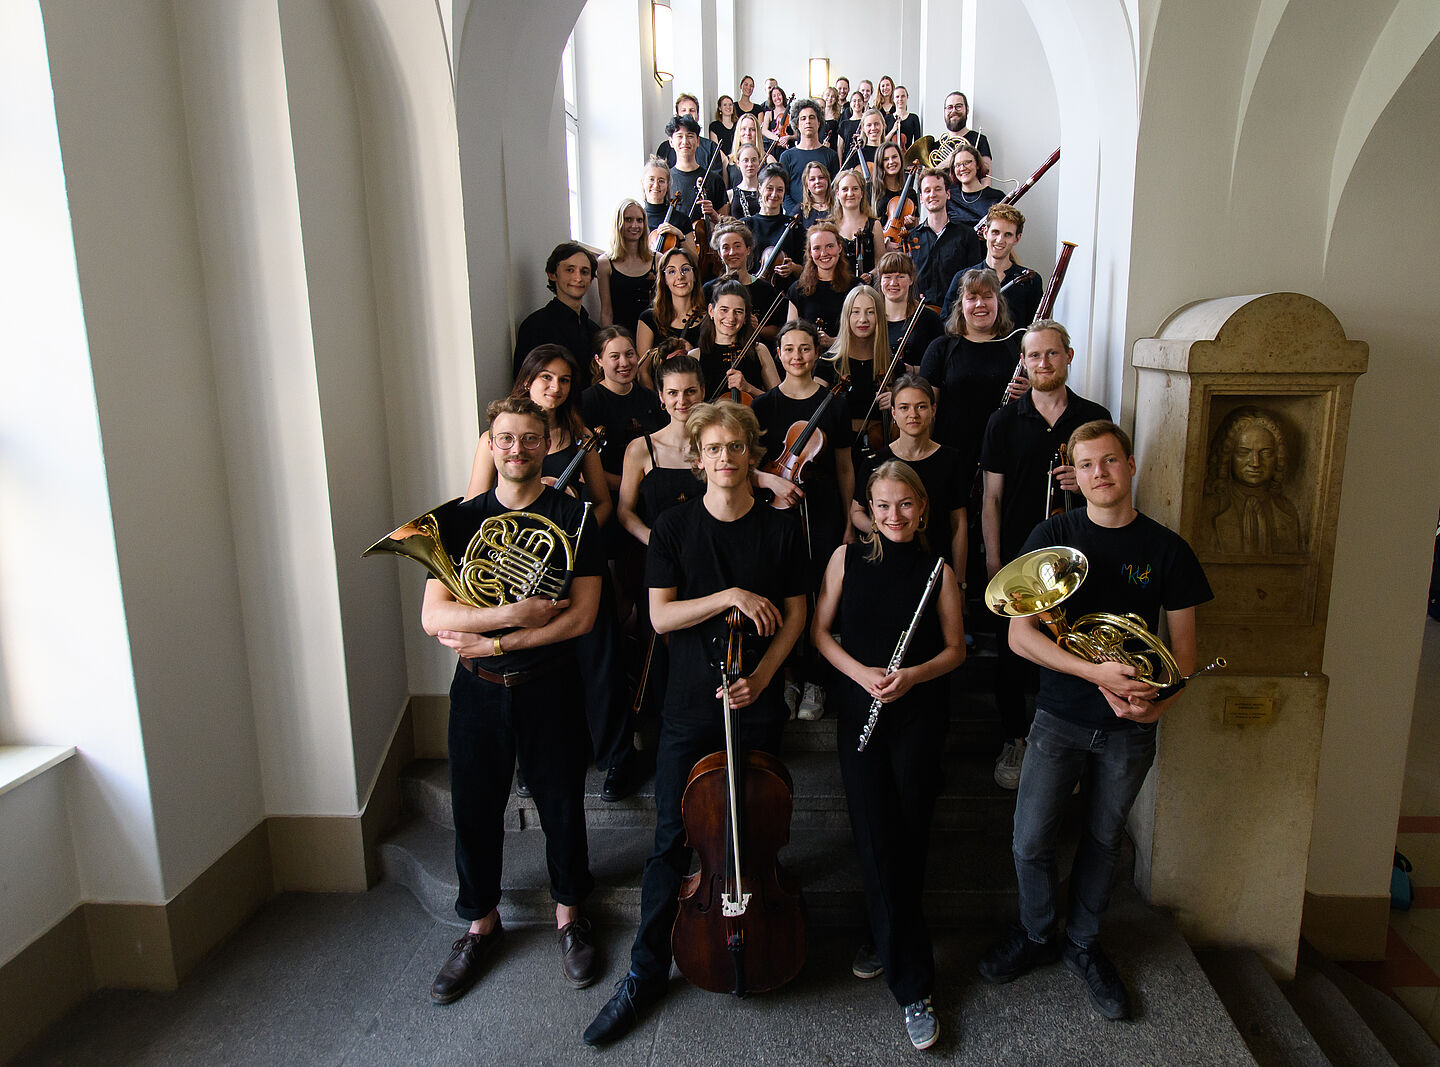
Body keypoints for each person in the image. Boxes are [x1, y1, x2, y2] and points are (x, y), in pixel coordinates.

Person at [583, 401, 809, 1047]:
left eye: (737, 446)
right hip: (687, 705)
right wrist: (731, 595)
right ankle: (645, 972)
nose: (727, 458)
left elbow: (794, 616)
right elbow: (660, 617)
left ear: (750, 452)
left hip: (757, 701)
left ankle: (756, 935)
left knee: (753, 831)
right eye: (714, 448)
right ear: (698, 455)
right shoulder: (675, 527)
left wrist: (763, 679)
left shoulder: (780, 528)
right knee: (670, 842)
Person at [977, 420, 1213, 1024]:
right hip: (1060, 715)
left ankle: (1083, 942)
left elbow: (1183, 649)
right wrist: (1095, 675)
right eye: (1086, 465)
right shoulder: (1052, 534)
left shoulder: (1167, 549)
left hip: (1131, 723)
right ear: (1074, 475)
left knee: (1105, 840)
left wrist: (1161, 702)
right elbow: (1020, 635)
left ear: (1131, 466)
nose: (1099, 475)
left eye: (1109, 462)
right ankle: (1037, 934)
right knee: (1030, 839)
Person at [423, 394, 603, 1005]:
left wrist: (499, 639)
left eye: (530, 438)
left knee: (561, 806)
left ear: (547, 442)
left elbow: (582, 618)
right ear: (490, 444)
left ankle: (571, 917)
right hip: (476, 693)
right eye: (505, 438)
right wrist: (514, 611)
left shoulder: (575, 518)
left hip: (549, 683)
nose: (517, 449)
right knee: (474, 809)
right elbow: (433, 615)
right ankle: (479, 924)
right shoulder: (459, 519)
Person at [813, 458, 965, 1050]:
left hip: (919, 714)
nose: (894, 515)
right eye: (882, 507)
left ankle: (883, 937)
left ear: (921, 508)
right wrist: (863, 675)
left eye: (905, 505)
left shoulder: (939, 571)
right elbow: (820, 634)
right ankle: (915, 988)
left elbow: (955, 649)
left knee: (909, 834)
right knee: (874, 835)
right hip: (862, 710)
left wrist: (914, 676)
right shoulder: (845, 559)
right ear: (868, 512)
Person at [980, 320, 1111, 789]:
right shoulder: (1003, 421)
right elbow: (990, 499)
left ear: (1068, 357)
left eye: (1052, 354)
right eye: (1033, 356)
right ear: (1024, 362)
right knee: (1013, 660)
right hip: (1019, 560)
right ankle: (1015, 740)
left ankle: (1069, 749)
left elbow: (1112, 489)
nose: (1043, 363)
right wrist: (995, 561)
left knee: (1073, 650)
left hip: (1078, 561)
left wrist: (1087, 481)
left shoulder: (1094, 418)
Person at [754, 318, 855, 721]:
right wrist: (772, 485)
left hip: (824, 506)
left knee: (819, 592)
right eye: (789, 349)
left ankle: (816, 679)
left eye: (805, 349)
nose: (797, 356)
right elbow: (750, 465)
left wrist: (849, 519)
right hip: (774, 508)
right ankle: (787, 675)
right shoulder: (764, 405)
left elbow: (846, 467)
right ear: (779, 354)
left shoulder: (835, 401)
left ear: (817, 354)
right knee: (781, 589)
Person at [918, 267, 1025, 479]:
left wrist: (1030, 394)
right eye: (972, 298)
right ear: (960, 305)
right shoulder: (940, 348)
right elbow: (926, 413)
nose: (980, 304)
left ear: (998, 302)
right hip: (952, 456)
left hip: (1004, 457)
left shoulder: (1016, 347)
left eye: (987, 297)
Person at [851, 374, 968, 567]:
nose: (913, 414)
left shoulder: (951, 459)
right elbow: (856, 512)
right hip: (887, 560)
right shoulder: (875, 461)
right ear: (894, 413)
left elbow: (959, 524)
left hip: (937, 559)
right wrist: (887, 530)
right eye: (904, 407)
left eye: (921, 406)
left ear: (933, 410)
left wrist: (960, 579)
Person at [1203, 406, 1304, 554]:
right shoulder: (1210, 508)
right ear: (1228, 456)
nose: (1255, 463)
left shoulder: (1287, 511)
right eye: (1244, 452)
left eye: (1266, 453)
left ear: (1278, 458)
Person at [580, 326, 664, 499]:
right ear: (599, 360)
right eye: (614, 357)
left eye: (629, 354)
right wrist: (632, 486)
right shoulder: (587, 402)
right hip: (607, 495)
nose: (624, 363)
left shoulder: (650, 397)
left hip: (650, 491)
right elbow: (583, 472)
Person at [942, 203, 1043, 329]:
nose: (1000, 240)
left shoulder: (1031, 280)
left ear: (1017, 239)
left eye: (1008, 234)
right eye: (995, 232)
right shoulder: (962, 277)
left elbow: (1034, 328)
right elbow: (947, 323)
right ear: (985, 232)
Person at [513, 242, 600, 382]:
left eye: (584, 272)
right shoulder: (535, 326)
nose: (578, 278)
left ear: (590, 280)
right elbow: (523, 383)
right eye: (570, 270)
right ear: (552, 274)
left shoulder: (594, 330)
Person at [691, 277, 779, 401]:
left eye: (738, 311)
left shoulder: (759, 350)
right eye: (724, 310)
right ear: (711, 311)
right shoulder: (695, 357)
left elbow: (778, 402)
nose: (731, 318)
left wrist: (749, 388)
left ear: (746, 316)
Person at [909, 168, 983, 308]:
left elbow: (974, 278)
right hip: (921, 312)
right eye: (927, 190)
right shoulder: (912, 238)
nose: (932, 194)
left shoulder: (967, 235)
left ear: (947, 193)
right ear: (921, 198)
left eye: (938, 189)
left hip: (957, 312)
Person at [636, 246, 706, 383]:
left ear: (695, 275)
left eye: (685, 269)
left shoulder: (710, 318)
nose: (680, 276)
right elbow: (643, 372)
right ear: (664, 279)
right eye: (671, 271)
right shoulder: (648, 319)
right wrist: (659, 402)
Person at [828, 283, 891, 433]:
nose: (863, 319)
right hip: (839, 446)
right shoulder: (828, 364)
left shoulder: (891, 363)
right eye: (855, 312)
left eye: (870, 312)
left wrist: (898, 400)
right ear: (846, 316)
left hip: (880, 444)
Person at [786, 222, 858, 350]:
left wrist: (834, 342)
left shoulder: (856, 287)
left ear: (839, 248)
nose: (824, 253)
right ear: (810, 252)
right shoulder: (797, 289)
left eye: (830, 246)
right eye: (817, 248)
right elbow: (791, 335)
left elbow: (864, 333)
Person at [703, 220, 781, 330]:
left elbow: (776, 331)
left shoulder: (765, 289)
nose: (732, 252)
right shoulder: (709, 289)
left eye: (737, 246)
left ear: (748, 250)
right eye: (726, 248)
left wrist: (757, 328)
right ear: (720, 254)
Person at [598, 199, 656, 335]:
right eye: (628, 219)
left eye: (639, 220)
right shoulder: (604, 263)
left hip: (652, 334)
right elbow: (606, 312)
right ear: (618, 223)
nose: (635, 225)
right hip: (621, 336)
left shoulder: (657, 259)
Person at [876, 251, 945, 365]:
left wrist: (910, 370)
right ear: (880, 280)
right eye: (887, 277)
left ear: (911, 279)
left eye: (900, 277)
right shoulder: (872, 318)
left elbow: (939, 366)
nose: (893, 283)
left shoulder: (929, 319)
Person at [778, 98, 842, 214]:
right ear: (797, 124)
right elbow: (784, 192)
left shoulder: (831, 155)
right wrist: (798, 214)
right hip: (795, 218)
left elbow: (834, 190)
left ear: (819, 123)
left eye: (812, 117)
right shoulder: (787, 156)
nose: (808, 121)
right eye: (803, 118)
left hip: (824, 217)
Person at [748, 164, 804, 284]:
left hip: (784, 293)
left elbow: (805, 268)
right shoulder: (747, 225)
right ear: (760, 188)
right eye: (769, 188)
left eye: (779, 190)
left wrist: (793, 268)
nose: (774, 194)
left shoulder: (793, 226)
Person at [667, 116, 727, 227]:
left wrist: (713, 214)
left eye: (690, 136)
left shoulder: (714, 180)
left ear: (698, 141)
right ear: (671, 142)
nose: (685, 141)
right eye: (679, 136)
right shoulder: (665, 180)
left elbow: (725, 226)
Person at [832, 168, 885, 281]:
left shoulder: (874, 225)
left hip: (866, 290)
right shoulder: (830, 227)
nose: (850, 193)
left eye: (855, 189)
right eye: (845, 189)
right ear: (837, 193)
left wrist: (871, 275)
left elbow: (880, 263)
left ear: (862, 193)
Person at [945, 141, 1003, 228]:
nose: (962, 168)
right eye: (957, 165)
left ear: (978, 165)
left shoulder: (997, 197)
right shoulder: (949, 197)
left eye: (967, 162)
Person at [654, 93, 718, 171]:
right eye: (683, 110)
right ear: (677, 115)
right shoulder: (665, 148)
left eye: (692, 110)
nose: (688, 114)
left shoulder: (711, 147)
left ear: (698, 116)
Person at [942, 91, 991, 175]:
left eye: (958, 106)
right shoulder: (937, 145)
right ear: (945, 111)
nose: (953, 110)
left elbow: (986, 178)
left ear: (967, 109)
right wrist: (945, 164)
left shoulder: (979, 140)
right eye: (950, 107)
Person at [871, 141, 909, 221]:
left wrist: (910, 225)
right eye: (886, 159)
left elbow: (915, 228)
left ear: (900, 159)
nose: (891, 162)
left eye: (894, 157)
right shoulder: (870, 189)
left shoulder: (909, 193)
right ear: (880, 163)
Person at [727, 143, 764, 219]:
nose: (750, 164)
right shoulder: (730, 194)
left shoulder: (766, 192)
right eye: (745, 160)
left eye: (754, 160)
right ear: (738, 163)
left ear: (759, 162)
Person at [797, 160, 836, 229]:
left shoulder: (838, 206)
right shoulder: (800, 210)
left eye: (821, 177)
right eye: (812, 179)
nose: (817, 181)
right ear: (806, 185)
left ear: (827, 180)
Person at [763, 84, 796, 153]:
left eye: (779, 95)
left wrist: (788, 137)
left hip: (788, 148)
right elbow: (764, 131)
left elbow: (796, 135)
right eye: (774, 96)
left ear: (783, 96)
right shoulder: (768, 114)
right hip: (773, 149)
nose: (777, 97)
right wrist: (778, 138)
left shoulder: (791, 114)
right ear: (771, 99)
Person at [838, 89, 866, 165]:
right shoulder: (844, 124)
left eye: (859, 100)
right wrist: (840, 164)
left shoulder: (867, 122)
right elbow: (840, 147)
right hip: (848, 160)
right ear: (850, 103)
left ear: (863, 103)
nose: (857, 103)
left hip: (863, 159)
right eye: (854, 101)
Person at [819, 86, 843, 150]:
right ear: (823, 96)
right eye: (827, 95)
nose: (830, 98)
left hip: (832, 148)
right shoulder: (817, 114)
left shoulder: (839, 116)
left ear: (836, 99)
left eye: (833, 96)